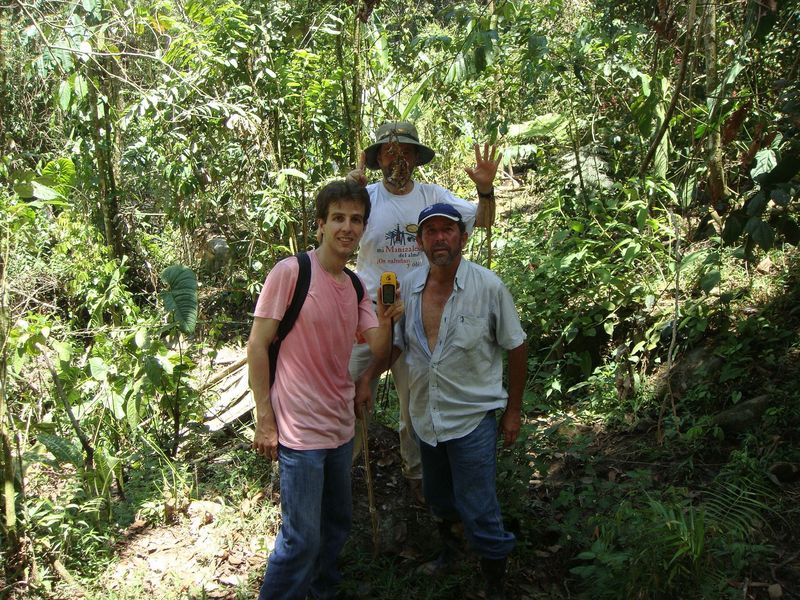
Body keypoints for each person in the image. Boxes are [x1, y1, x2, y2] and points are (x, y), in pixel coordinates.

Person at [362, 203, 528, 599]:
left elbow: (516, 347)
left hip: (471, 419)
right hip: (426, 417)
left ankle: (494, 581)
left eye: (447, 230)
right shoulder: (411, 287)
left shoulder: (488, 287)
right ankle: (450, 551)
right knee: (438, 495)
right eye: (430, 231)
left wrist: (514, 411)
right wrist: (367, 377)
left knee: (479, 504)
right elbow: (398, 347)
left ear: (462, 238)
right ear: (419, 242)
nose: (440, 237)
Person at [248, 180, 403, 600]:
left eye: (356, 220)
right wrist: (265, 419)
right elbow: (258, 345)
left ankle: (323, 591)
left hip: (340, 427)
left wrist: (387, 318)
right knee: (301, 539)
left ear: (363, 228)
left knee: (336, 525)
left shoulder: (355, 287)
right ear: (320, 224)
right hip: (299, 430)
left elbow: (379, 347)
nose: (347, 227)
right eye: (338, 218)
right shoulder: (291, 272)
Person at [347, 120, 501, 500]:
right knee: (347, 391)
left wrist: (485, 188)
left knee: (415, 404)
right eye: (388, 151)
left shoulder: (433, 198)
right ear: (377, 158)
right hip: (369, 313)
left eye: (404, 152)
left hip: (418, 315)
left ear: (416, 158)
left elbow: (482, 219)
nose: (396, 159)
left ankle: (418, 481)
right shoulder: (364, 198)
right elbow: (334, 231)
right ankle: (341, 471)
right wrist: (349, 191)